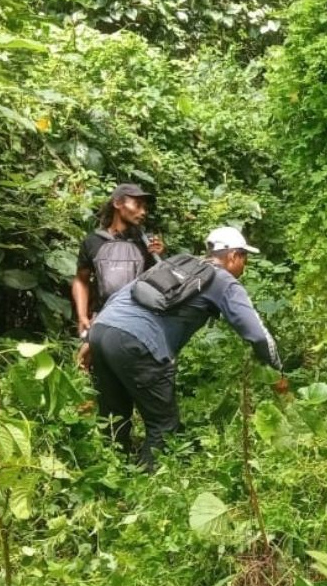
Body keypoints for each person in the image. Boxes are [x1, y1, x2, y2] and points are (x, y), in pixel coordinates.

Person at [80, 226, 287, 471]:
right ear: (233, 257)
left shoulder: (178, 263)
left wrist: (91, 338)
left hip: (104, 329)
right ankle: (146, 489)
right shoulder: (223, 281)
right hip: (138, 341)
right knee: (163, 426)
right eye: (245, 258)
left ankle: (108, 478)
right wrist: (278, 373)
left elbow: (122, 295)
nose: (245, 266)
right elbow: (258, 336)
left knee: (114, 416)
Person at [72, 183, 165, 337]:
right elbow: (81, 280)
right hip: (102, 318)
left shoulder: (148, 244)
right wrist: (82, 316)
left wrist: (160, 257)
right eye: (137, 205)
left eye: (145, 208)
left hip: (138, 321)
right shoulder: (93, 241)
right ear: (117, 203)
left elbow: (160, 285)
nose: (143, 212)